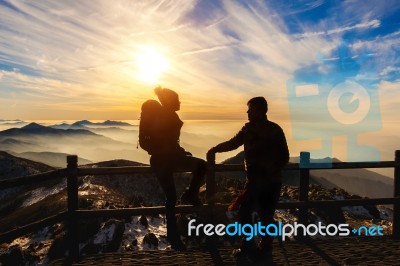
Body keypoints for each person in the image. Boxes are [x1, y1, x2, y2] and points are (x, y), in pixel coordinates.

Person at [207, 97, 289, 263]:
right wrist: (215, 149)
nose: (247, 112)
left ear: (260, 111)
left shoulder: (274, 130)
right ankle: (253, 247)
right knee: (248, 213)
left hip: (269, 182)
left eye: (250, 109)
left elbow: (284, 156)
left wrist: (267, 172)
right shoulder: (248, 129)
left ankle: (260, 249)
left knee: (264, 215)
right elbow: (233, 143)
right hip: (256, 182)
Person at [150, 86, 206, 250]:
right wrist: (168, 152)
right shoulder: (162, 116)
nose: (179, 102)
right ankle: (173, 238)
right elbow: (161, 141)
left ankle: (191, 193)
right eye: (177, 99)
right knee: (171, 198)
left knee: (201, 165)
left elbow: (171, 142)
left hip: (172, 158)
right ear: (170, 101)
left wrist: (179, 151)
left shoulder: (170, 115)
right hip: (161, 161)